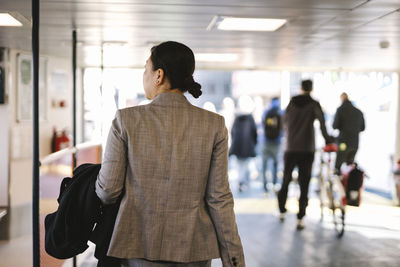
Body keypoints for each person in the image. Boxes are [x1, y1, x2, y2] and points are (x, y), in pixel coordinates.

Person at [95, 41, 245, 267]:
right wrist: (234, 260)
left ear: (159, 75)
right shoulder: (214, 125)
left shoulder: (125, 120)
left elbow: (108, 191)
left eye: (146, 69)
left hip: (138, 246)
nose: (143, 76)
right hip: (193, 249)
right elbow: (219, 198)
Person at [277, 80, 333, 230]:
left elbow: (284, 122)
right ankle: (300, 217)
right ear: (311, 88)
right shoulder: (314, 104)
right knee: (304, 182)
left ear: (301, 88)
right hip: (307, 148)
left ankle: (282, 210)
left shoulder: (291, 103)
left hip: (290, 147)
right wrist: (329, 139)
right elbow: (322, 124)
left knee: (286, 179)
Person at [229, 96, 258, 192]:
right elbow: (254, 132)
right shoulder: (250, 118)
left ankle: (241, 182)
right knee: (246, 165)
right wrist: (254, 143)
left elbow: (232, 131)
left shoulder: (236, 118)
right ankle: (245, 183)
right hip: (248, 146)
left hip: (238, 146)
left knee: (240, 166)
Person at [333, 92, 365, 173]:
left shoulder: (340, 110)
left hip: (343, 143)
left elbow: (334, 126)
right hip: (354, 144)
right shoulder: (359, 112)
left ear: (342, 99)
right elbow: (363, 128)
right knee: (350, 167)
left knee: (338, 168)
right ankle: (349, 184)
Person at [261, 97, 283, 193]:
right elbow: (282, 128)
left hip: (266, 142)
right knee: (275, 164)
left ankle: (265, 185)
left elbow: (263, 125)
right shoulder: (280, 113)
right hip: (276, 142)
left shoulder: (266, 112)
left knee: (265, 165)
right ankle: (274, 183)